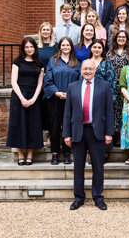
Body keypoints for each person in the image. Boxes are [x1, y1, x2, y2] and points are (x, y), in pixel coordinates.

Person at [62, 59, 114, 211]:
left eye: (90, 69)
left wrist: (109, 133)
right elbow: (67, 113)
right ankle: (79, 198)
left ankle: (98, 197)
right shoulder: (72, 87)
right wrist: (66, 134)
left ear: (95, 70)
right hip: (78, 131)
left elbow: (109, 111)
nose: (88, 71)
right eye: (85, 69)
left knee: (98, 167)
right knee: (78, 167)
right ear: (81, 70)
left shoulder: (104, 86)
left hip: (96, 131)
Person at [6, 37, 44, 165]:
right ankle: (20, 154)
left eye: (31, 47)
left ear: (35, 48)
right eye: (27, 47)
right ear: (23, 48)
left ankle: (30, 155)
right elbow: (13, 82)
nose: (29, 49)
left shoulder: (39, 63)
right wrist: (22, 98)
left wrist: (33, 99)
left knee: (33, 125)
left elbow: (40, 84)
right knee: (18, 124)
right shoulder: (18, 61)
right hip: (18, 96)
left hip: (34, 96)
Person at [43, 37, 80, 165]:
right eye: (63, 45)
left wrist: (70, 93)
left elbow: (80, 80)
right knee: (54, 126)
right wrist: (57, 92)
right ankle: (54, 153)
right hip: (55, 98)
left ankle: (66, 153)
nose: (65, 47)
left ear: (71, 47)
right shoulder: (53, 61)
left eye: (67, 45)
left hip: (71, 99)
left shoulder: (76, 62)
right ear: (60, 47)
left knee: (68, 126)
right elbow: (47, 80)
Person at [89, 39, 115, 161]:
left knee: (103, 123)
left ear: (102, 49)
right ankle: (91, 152)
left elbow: (111, 81)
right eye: (94, 47)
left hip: (103, 97)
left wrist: (111, 98)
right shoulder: (87, 62)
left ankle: (103, 151)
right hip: (88, 97)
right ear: (91, 48)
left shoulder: (107, 63)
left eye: (99, 47)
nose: (97, 49)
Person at [107, 30, 129, 147]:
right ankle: (114, 135)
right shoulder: (110, 52)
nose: (121, 39)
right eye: (119, 37)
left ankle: (122, 136)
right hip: (112, 85)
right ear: (115, 38)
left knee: (123, 111)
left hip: (126, 85)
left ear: (126, 39)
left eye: (123, 37)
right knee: (113, 111)